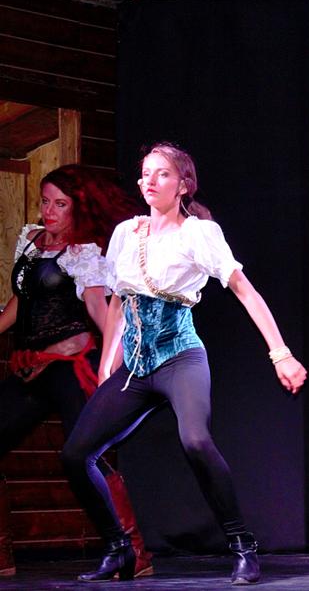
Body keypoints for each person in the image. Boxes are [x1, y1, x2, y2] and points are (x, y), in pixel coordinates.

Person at [60, 143, 307, 585]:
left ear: (183, 185)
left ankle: (242, 545)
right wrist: (107, 365)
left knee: (194, 440)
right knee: (76, 454)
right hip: (136, 367)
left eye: (162, 174)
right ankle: (119, 549)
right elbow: (118, 304)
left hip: (180, 356)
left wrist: (281, 353)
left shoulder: (198, 234)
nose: (149, 181)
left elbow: (246, 291)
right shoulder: (126, 233)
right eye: (145, 173)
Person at [0, 165, 151, 578]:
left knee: (85, 455)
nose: (49, 211)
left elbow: (100, 310)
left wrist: (119, 363)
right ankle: (2, 556)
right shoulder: (31, 240)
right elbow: (20, 301)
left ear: (77, 208)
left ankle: (134, 553)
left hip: (70, 367)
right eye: (45, 201)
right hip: (31, 368)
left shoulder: (84, 253)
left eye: (60, 204)